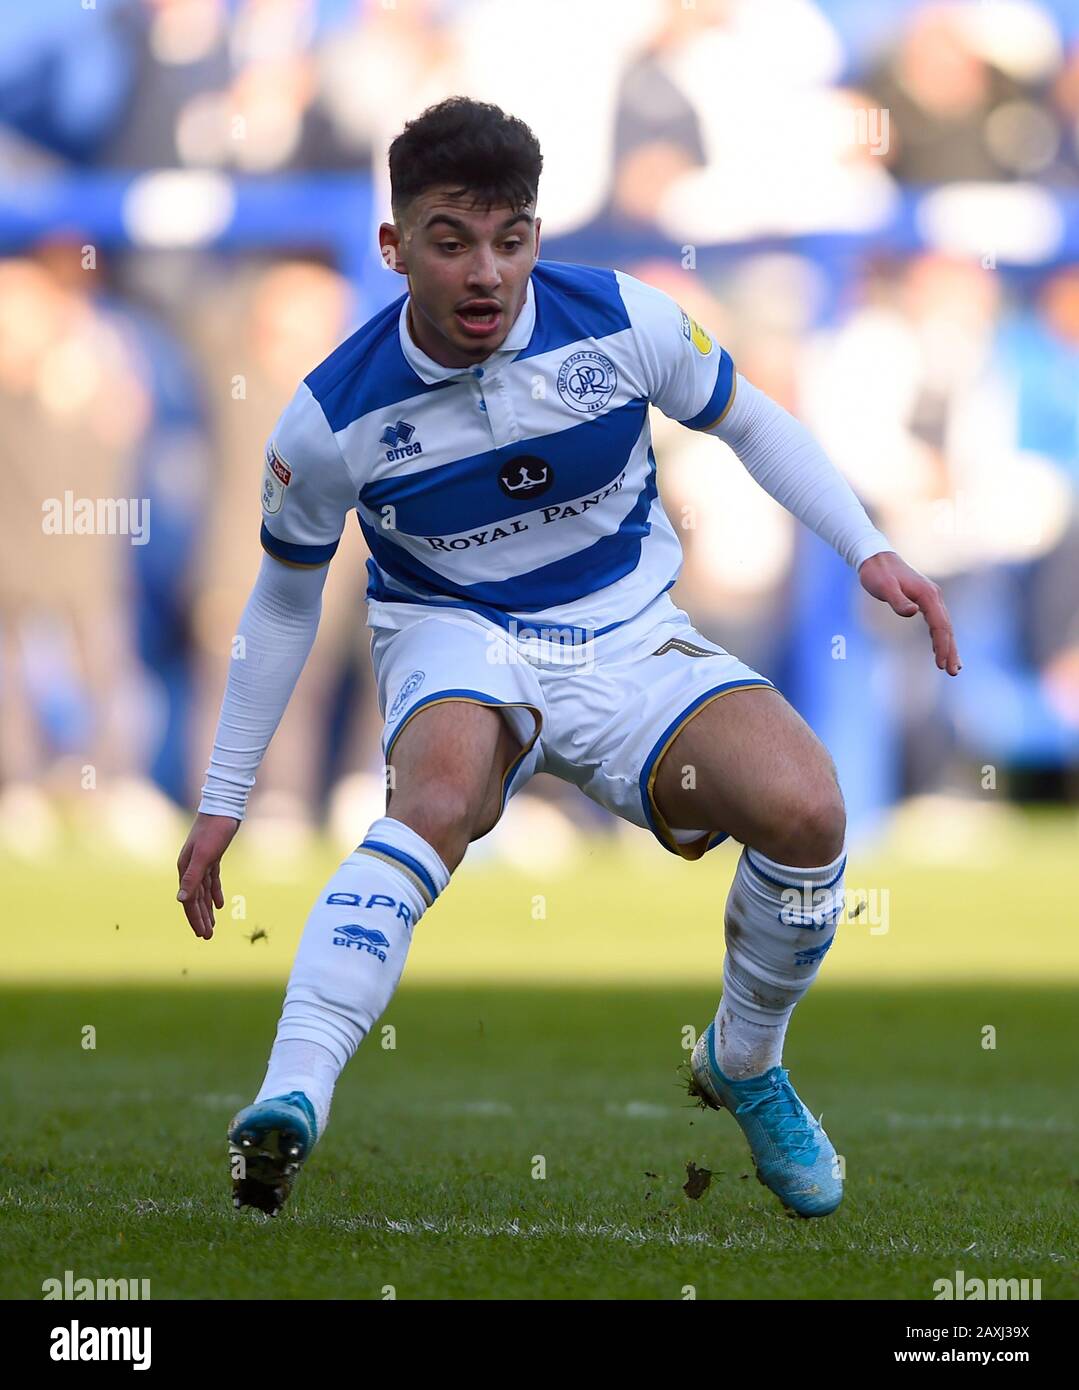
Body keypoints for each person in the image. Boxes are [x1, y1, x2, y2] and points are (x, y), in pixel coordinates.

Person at [175, 97, 961, 1220]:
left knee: (809, 812)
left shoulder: (623, 319)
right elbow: (284, 600)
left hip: (630, 634)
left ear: (536, 235)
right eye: (450, 241)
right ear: (394, 248)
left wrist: (868, 548)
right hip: (457, 634)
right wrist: (224, 795)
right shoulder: (327, 420)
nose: (486, 270)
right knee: (436, 794)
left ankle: (743, 1061)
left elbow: (750, 422)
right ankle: (289, 1096)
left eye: (510, 238)